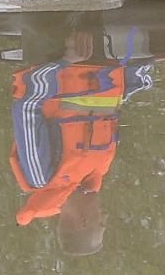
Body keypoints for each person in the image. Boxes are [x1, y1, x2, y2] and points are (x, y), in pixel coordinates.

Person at [9, 26, 155, 254]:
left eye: (102, 223)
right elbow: (109, 105)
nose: (106, 215)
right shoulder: (95, 172)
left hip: (53, 52)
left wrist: (65, 61)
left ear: (82, 223)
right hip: (101, 54)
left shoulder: (42, 177)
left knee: (49, 0)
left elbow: (26, 108)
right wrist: (143, 65)